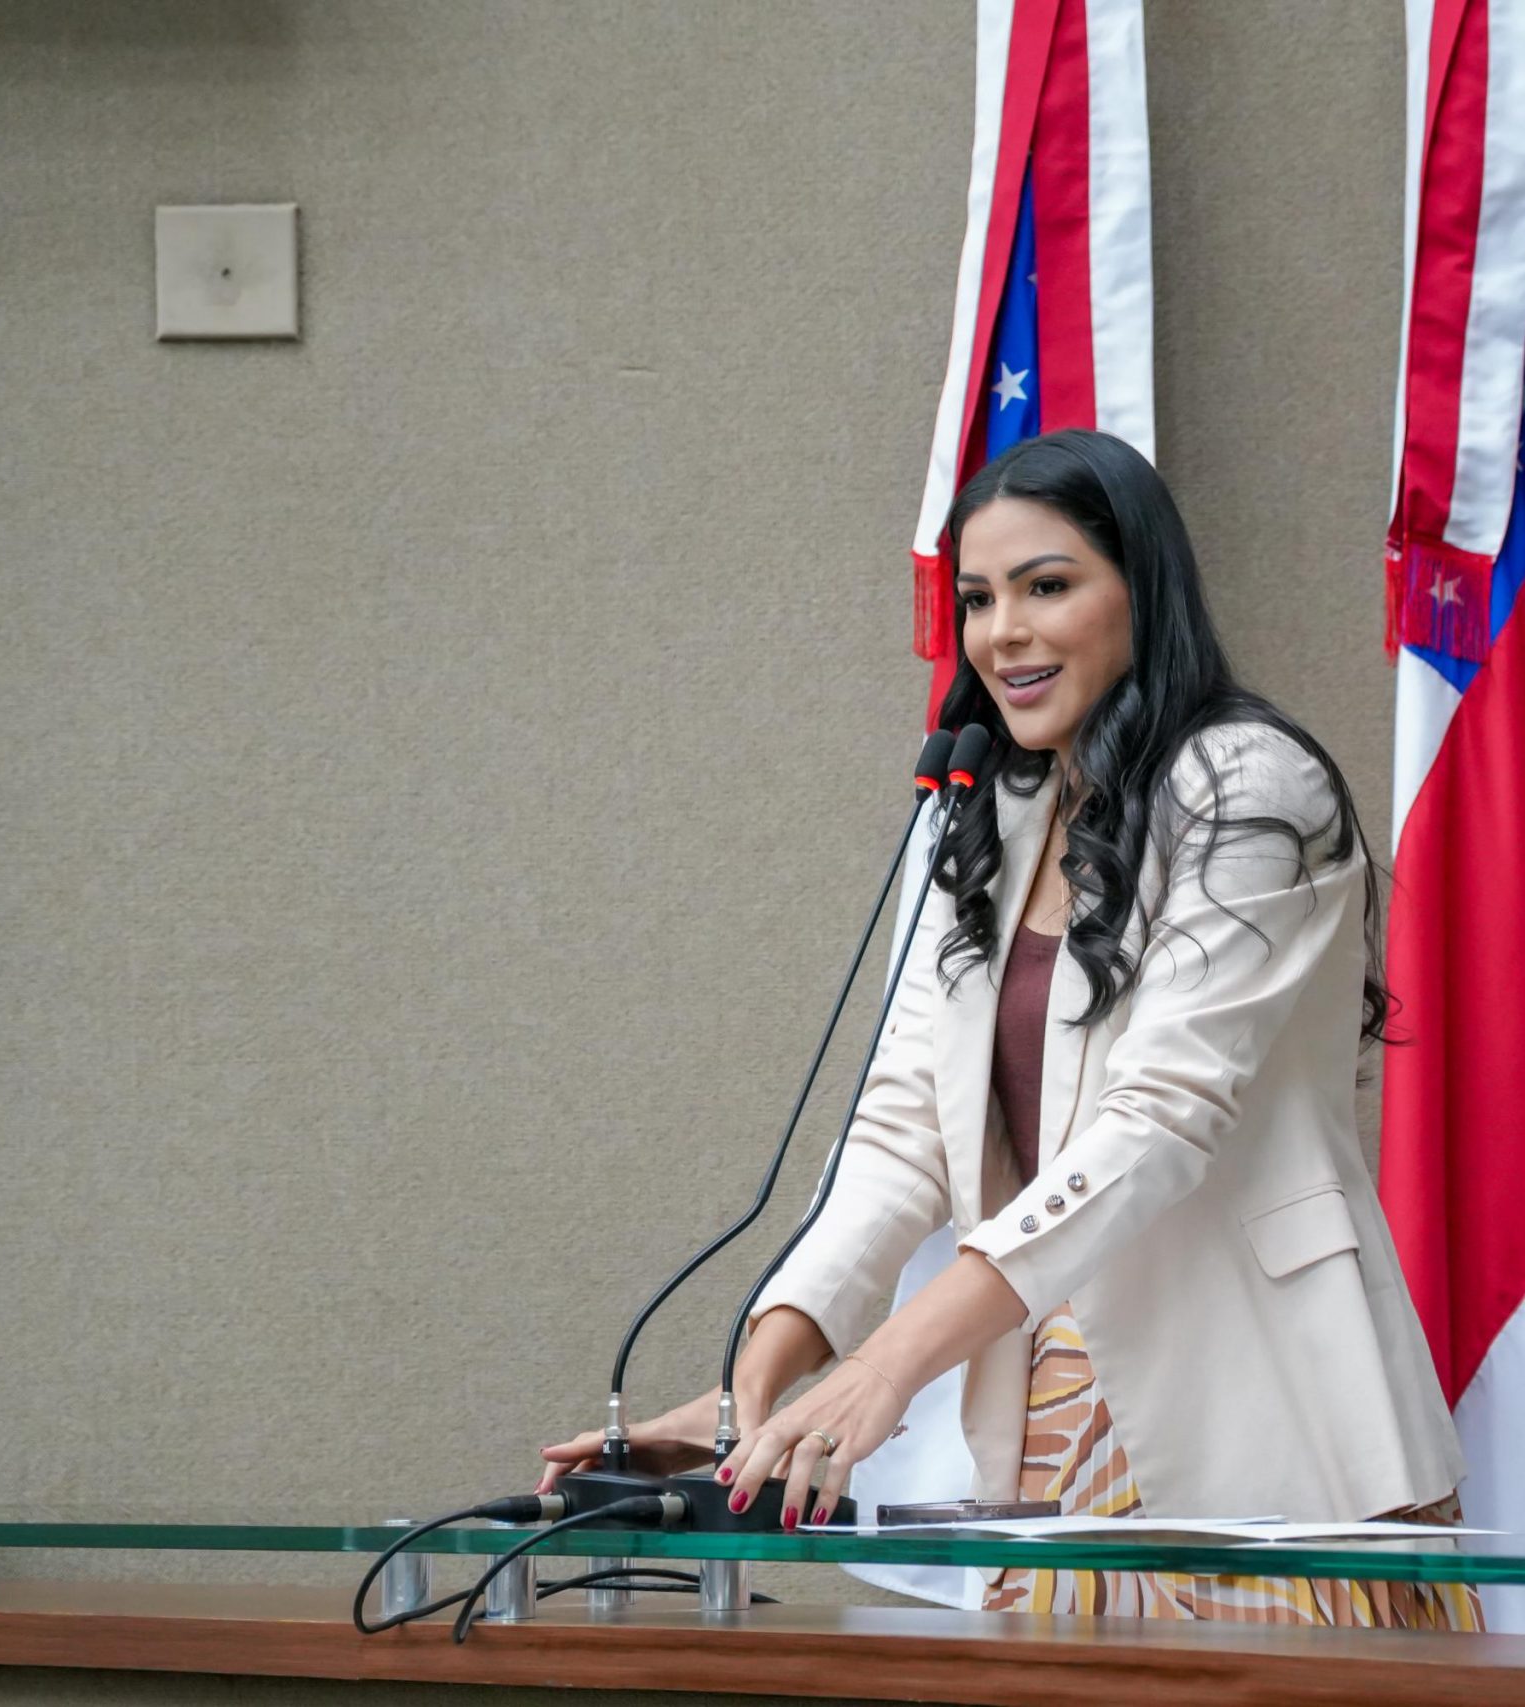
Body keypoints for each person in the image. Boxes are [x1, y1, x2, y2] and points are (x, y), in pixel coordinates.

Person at [543, 429, 1476, 1626]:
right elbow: (898, 1136)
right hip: (1045, 1410)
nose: (1004, 634)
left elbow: (1160, 1121)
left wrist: (888, 1363)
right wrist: (753, 1393)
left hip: (1268, 1399)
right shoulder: (986, 812)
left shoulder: (1253, 785)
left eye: (1049, 586)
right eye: (980, 599)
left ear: (1143, 587)